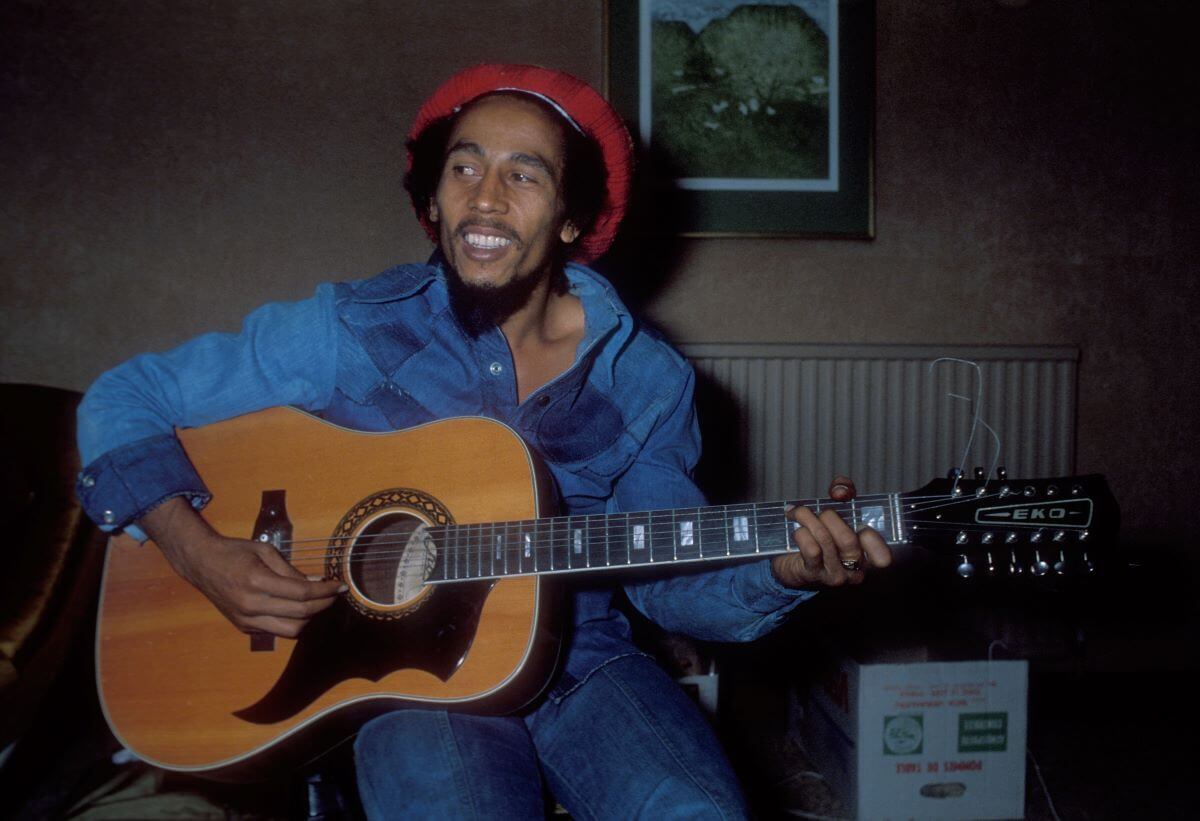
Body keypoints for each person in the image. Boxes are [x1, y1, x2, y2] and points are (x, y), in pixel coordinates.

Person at [76, 64, 891, 819]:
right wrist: (195, 550)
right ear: (432, 202)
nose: (487, 197)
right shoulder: (351, 328)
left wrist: (781, 569)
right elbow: (126, 395)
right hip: (400, 677)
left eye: (524, 174)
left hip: (585, 660)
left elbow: (667, 584)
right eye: (464, 168)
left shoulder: (649, 380)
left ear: (575, 220)